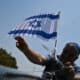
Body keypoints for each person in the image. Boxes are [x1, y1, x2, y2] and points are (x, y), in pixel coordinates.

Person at [15, 36, 80, 80]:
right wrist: (26, 50)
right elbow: (40, 59)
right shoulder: (53, 59)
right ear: (62, 49)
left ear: (76, 58)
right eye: (65, 52)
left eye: (71, 55)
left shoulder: (76, 69)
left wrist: (73, 77)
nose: (66, 56)